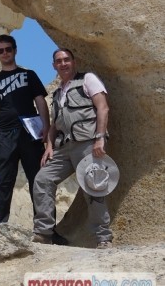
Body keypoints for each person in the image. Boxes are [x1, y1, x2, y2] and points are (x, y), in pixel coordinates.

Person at [32, 49, 113, 249]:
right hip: (64, 148)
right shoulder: (57, 92)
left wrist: (100, 138)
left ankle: (103, 237)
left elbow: (103, 107)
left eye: (66, 60)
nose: (63, 64)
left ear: (74, 62)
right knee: (42, 180)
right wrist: (49, 146)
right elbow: (54, 124)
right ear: (54, 66)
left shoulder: (88, 79)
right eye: (58, 61)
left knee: (93, 188)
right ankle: (43, 234)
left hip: (87, 144)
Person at [0, 35, 49, 227]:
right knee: (2, 180)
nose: (5, 53)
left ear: (15, 50)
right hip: (5, 133)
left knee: (38, 179)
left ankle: (45, 228)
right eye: (0, 50)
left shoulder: (29, 74)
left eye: (8, 49)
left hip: (30, 131)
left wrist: (46, 125)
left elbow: (40, 101)